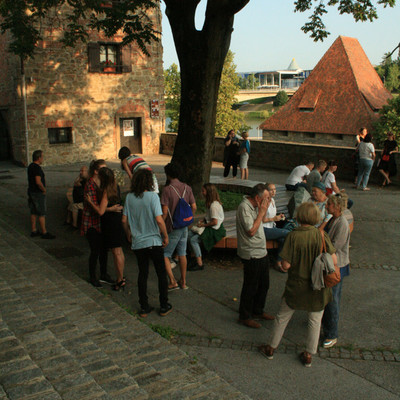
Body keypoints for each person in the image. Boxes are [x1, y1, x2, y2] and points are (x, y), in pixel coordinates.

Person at [258, 202, 337, 367]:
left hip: (296, 285)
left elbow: (285, 265)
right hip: (318, 286)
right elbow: (334, 259)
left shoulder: (293, 236)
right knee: (315, 320)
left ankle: (271, 348)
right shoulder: (321, 235)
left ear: (300, 216)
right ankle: (309, 354)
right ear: (316, 217)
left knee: (282, 317)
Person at [122, 169, 172, 317]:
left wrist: (128, 234)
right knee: (161, 273)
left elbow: (124, 220)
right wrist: (165, 235)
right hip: (154, 240)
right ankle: (164, 305)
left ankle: (144, 306)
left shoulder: (129, 197)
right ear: (149, 182)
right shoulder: (153, 197)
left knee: (142, 273)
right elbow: (159, 219)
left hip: (138, 242)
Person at [236, 183, 275, 329]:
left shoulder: (256, 207)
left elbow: (261, 222)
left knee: (264, 284)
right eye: (266, 198)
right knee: (250, 285)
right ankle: (244, 315)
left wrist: (264, 213)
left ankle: (258, 310)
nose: (268, 201)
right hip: (251, 252)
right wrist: (261, 213)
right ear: (257, 198)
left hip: (261, 250)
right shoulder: (244, 207)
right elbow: (251, 230)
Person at [85, 167, 125, 291]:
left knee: (116, 252)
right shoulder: (115, 186)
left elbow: (100, 211)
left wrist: (90, 202)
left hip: (110, 224)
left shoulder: (106, 191)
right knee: (119, 251)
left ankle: (120, 280)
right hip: (117, 221)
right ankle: (121, 276)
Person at [161, 163, 196, 290]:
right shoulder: (187, 187)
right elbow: (194, 207)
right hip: (184, 226)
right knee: (182, 253)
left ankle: (172, 281)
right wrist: (189, 219)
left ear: (168, 174)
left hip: (173, 226)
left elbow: (164, 212)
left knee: (165, 254)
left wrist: (161, 227)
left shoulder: (167, 190)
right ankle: (183, 281)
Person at [322, 194, 350, 349]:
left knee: (333, 300)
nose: (327, 207)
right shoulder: (333, 219)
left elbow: (334, 246)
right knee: (329, 297)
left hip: (336, 265)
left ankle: (332, 334)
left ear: (337, 207)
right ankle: (327, 326)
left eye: (329, 205)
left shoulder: (342, 223)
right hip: (331, 263)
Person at [81, 159, 113, 288]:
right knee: (95, 250)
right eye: (102, 169)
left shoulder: (102, 183)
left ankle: (104, 273)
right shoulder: (90, 185)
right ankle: (93, 276)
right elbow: (98, 208)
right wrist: (111, 209)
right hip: (91, 222)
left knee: (104, 249)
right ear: (95, 171)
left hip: (100, 221)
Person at [187, 183, 226, 271]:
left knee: (194, 240)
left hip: (215, 229)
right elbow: (210, 217)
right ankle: (194, 256)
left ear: (208, 192)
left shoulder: (214, 206)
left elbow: (215, 222)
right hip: (210, 226)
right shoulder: (210, 203)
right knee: (189, 234)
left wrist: (203, 225)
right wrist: (203, 220)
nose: (202, 192)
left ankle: (199, 263)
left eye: (203, 191)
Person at [27, 150, 55, 239]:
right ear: (39, 158)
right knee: (41, 212)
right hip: (37, 193)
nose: (43, 159)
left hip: (31, 191)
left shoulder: (30, 166)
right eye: (42, 157)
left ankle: (34, 230)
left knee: (33, 211)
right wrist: (43, 190)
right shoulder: (37, 168)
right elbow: (38, 182)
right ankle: (44, 232)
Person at [262, 183, 289, 271]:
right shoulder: (264, 201)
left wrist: (279, 217)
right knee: (287, 233)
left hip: (271, 227)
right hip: (264, 229)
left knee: (283, 239)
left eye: (275, 189)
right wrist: (274, 218)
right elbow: (262, 219)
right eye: (271, 189)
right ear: (266, 191)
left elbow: (273, 216)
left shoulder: (272, 200)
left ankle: (278, 261)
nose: (274, 191)